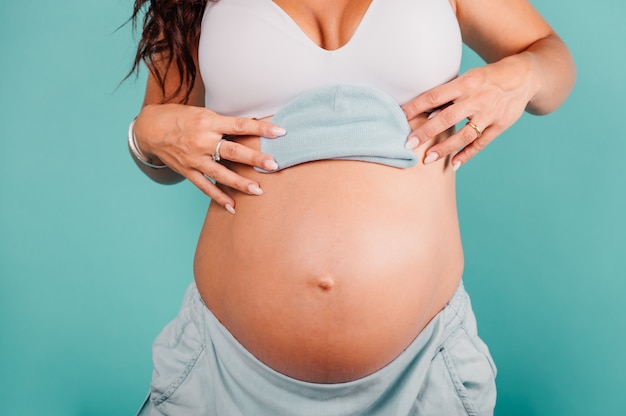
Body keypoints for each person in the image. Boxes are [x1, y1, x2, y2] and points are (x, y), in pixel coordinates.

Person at [127, 0, 575, 414]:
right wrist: (143, 135)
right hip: (222, 369)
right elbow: (167, 152)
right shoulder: (193, 3)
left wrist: (529, 73)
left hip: (422, 367)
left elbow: (551, 58)